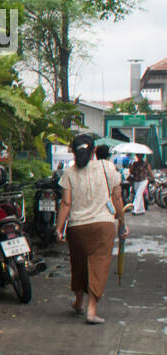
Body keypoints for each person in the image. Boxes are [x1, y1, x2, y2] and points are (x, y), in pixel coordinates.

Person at [56, 135, 126, 325]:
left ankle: (78, 302)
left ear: (73, 151)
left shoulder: (69, 173)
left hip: (76, 228)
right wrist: (122, 223)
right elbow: (117, 198)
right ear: (94, 150)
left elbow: (65, 203)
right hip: (103, 226)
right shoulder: (107, 167)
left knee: (78, 265)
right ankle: (91, 311)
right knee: (98, 266)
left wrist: (58, 228)